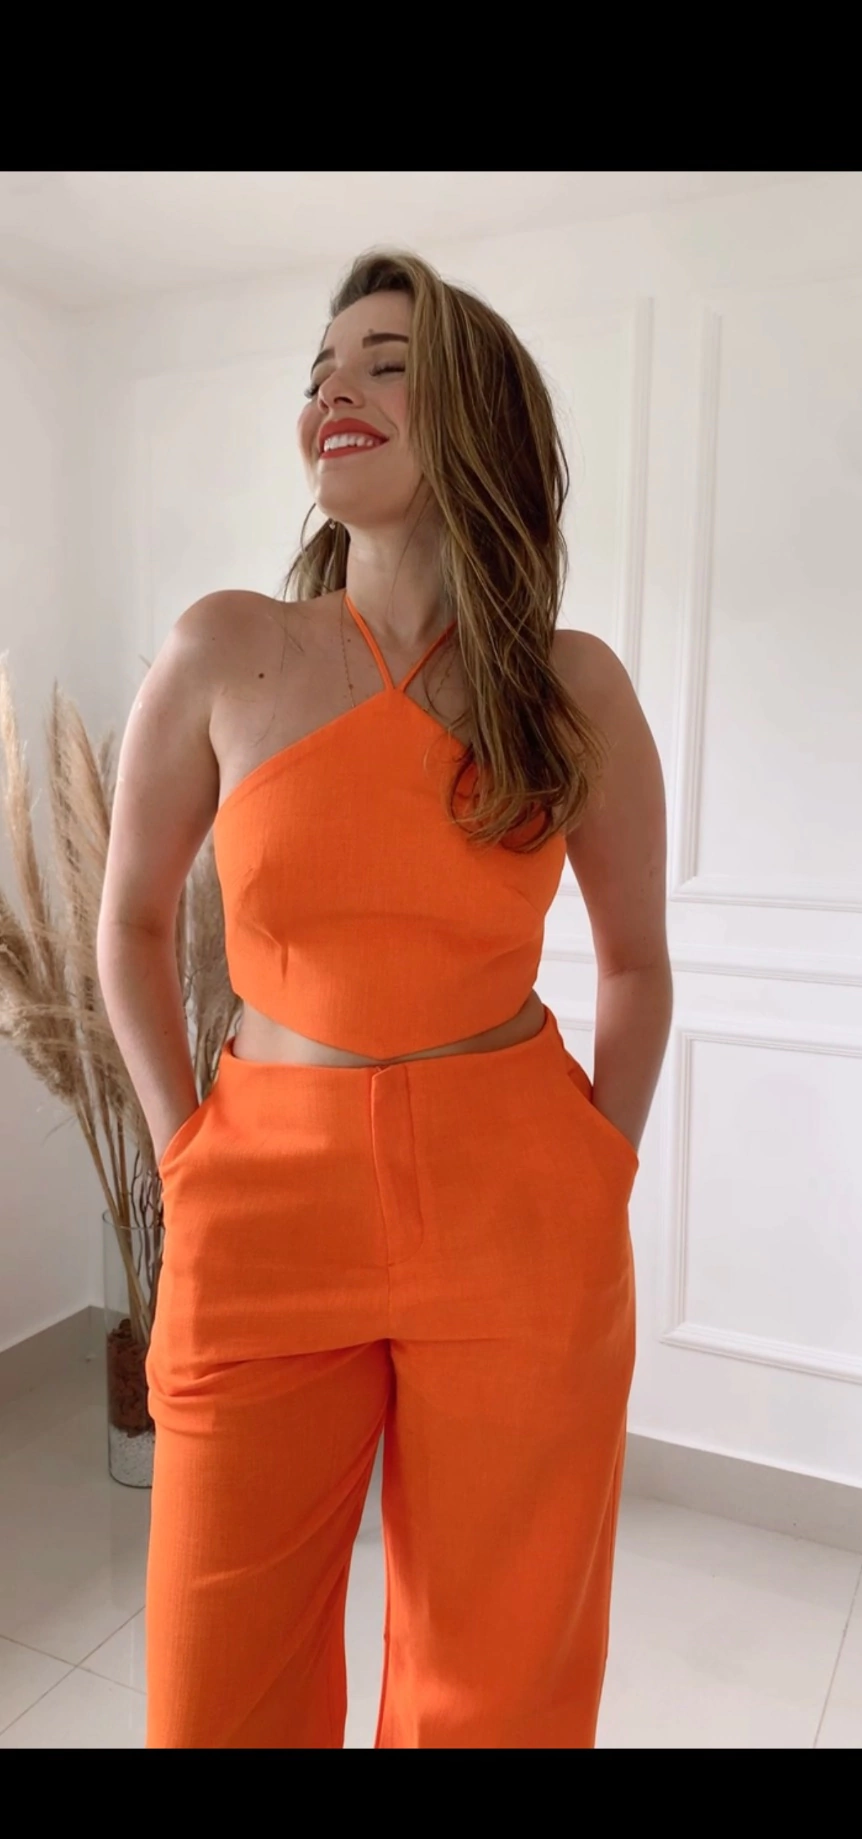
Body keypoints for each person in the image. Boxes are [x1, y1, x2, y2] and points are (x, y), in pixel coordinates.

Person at [97, 248, 673, 1749]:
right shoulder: (228, 648)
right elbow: (132, 923)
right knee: (216, 1693)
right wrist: (184, 1154)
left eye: (385, 362)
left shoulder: (571, 687)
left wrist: (595, 1169)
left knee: (503, 1686)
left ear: (478, 413)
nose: (333, 390)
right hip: (260, 1193)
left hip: (516, 1198)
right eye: (319, 370)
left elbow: (633, 963)